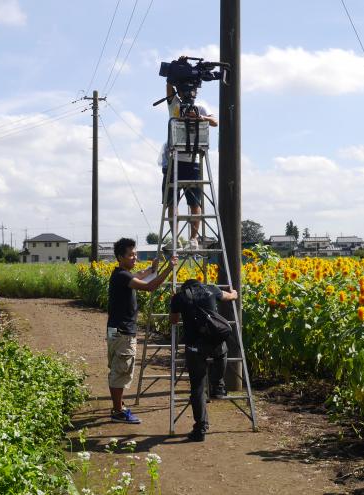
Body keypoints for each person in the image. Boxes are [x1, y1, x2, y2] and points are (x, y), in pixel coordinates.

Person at [107, 237, 178, 424]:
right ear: (120, 257)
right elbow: (149, 286)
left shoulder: (120, 274)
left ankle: (118, 405)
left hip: (114, 330)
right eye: (131, 255)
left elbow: (140, 275)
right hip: (123, 331)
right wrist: (168, 269)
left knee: (116, 366)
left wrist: (153, 269)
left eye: (135, 253)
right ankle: (118, 412)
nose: (134, 257)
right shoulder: (123, 276)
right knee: (121, 370)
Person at [169, 278, 238, 441]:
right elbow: (230, 297)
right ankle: (218, 385)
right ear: (199, 284)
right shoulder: (211, 289)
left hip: (194, 347)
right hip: (215, 343)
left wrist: (174, 303)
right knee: (222, 351)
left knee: (198, 387)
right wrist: (234, 292)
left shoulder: (179, 297)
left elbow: (173, 321)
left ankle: (200, 428)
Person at [162, 69, 218, 250]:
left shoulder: (201, 107)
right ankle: (175, 238)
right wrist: (177, 67)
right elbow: (168, 87)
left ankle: (194, 239)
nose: (188, 94)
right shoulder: (175, 105)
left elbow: (215, 122)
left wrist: (200, 117)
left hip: (193, 160)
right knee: (171, 202)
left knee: (195, 202)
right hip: (174, 159)